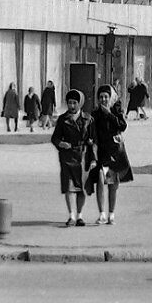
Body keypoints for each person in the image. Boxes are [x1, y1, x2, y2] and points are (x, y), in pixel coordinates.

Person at [87, 84, 133, 225]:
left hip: (114, 152)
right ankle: (102, 214)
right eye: (101, 97)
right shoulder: (95, 114)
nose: (103, 100)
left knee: (112, 183)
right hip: (101, 152)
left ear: (110, 98)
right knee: (100, 180)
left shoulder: (115, 111)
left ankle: (111, 214)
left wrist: (110, 114)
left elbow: (122, 126)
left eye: (106, 97)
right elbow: (91, 131)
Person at [50, 89, 96, 226]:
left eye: (74, 103)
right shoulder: (63, 120)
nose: (72, 106)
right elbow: (55, 138)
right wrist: (60, 143)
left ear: (80, 103)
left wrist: (93, 158)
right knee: (69, 187)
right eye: (69, 103)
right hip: (67, 157)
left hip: (82, 156)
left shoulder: (88, 119)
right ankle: (71, 216)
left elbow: (93, 140)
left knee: (81, 188)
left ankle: (80, 216)